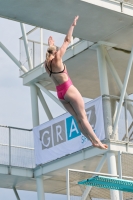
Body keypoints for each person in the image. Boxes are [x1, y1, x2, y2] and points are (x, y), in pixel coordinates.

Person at [44, 16, 108, 150]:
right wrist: (72, 25)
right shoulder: (57, 59)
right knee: (83, 117)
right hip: (68, 90)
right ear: (55, 52)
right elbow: (67, 40)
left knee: (77, 119)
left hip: (60, 94)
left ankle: (92, 141)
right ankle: (97, 141)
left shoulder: (46, 65)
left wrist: (50, 45)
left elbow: (50, 52)